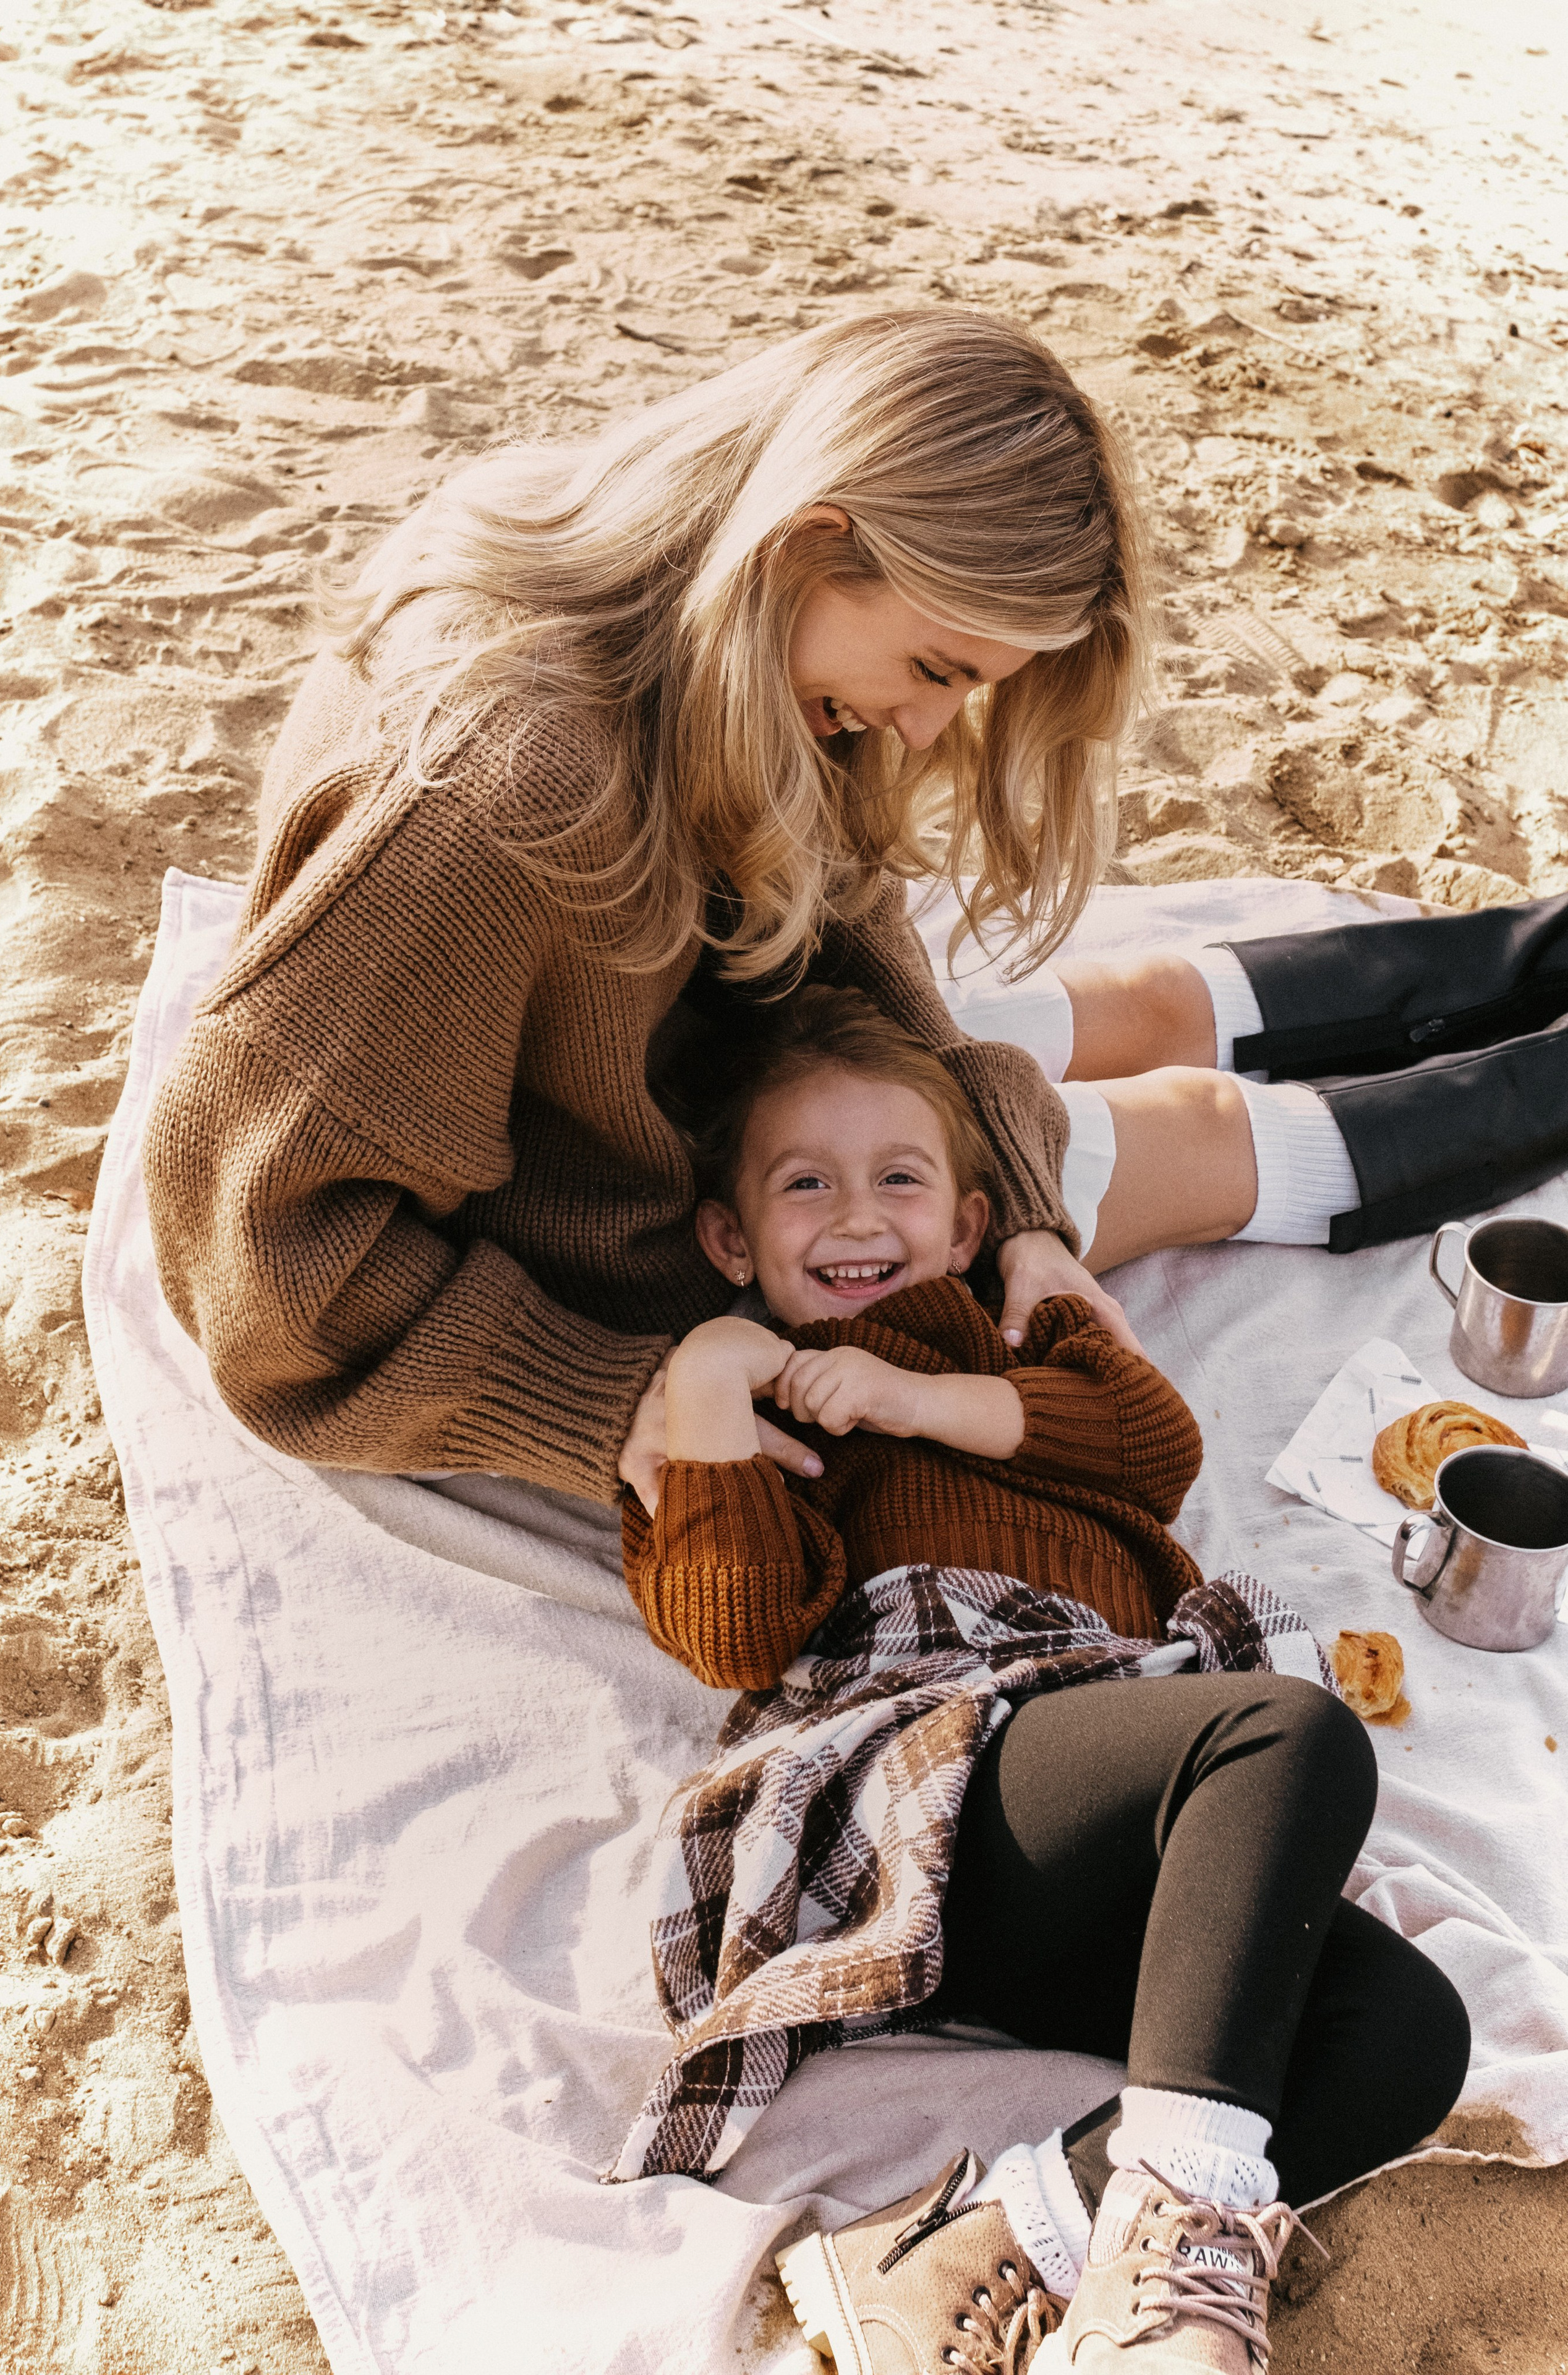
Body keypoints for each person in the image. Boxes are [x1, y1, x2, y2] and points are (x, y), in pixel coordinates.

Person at [142, 304, 1568, 1518]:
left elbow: (849, 926)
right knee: (1186, 1134)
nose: (934, 730)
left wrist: (1013, 1210)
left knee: (1119, 1015)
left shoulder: (700, 605)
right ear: (814, 540)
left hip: (698, 1046)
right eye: (936, 668)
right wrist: (613, 1401)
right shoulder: (498, 790)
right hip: (624, 1191)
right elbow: (263, 1269)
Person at [623, 983, 1469, 2375]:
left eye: (898, 1180)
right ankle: (1181, 2246)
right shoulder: (746, 1408)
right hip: (924, 1785)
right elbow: (732, 1630)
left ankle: (976, 2253)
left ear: (967, 1225)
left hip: (1083, 1827)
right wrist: (714, 1377)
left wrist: (911, 1398)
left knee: (1402, 2033)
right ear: (729, 1236)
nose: (854, 1217)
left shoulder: (1027, 1332)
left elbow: (1151, 1450)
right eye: (801, 1186)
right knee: (1286, 1738)